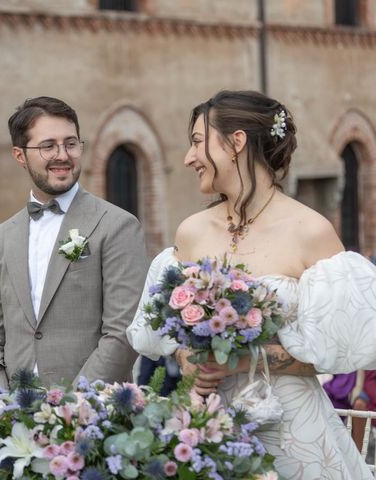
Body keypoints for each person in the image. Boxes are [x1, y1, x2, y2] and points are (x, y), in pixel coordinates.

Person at [127, 90, 376, 478]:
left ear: (236, 142)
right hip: (208, 427)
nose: (188, 158)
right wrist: (189, 360)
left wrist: (240, 360)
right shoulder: (190, 232)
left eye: (196, 142)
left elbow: (337, 350)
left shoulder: (311, 231)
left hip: (292, 432)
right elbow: (170, 336)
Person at [0, 96, 148, 389]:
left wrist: (73, 407)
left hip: (92, 413)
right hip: (14, 416)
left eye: (71, 143)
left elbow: (122, 332)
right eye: (48, 145)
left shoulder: (118, 226)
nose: (62, 155)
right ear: (19, 155)